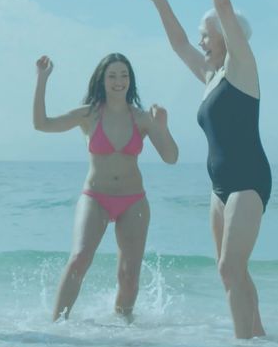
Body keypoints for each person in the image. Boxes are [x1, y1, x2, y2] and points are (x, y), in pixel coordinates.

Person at [136, 0, 270, 339]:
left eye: (205, 32)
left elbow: (223, 6)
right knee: (230, 272)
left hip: (249, 180)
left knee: (232, 268)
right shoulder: (210, 76)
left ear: (225, 36)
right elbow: (177, 43)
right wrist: (160, 0)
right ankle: (260, 343)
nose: (199, 37)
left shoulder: (241, 67)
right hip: (218, 187)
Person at [34, 53, 178, 322]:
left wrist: (162, 127)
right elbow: (42, 124)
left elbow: (171, 157)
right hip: (95, 197)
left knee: (129, 276)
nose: (118, 81)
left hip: (133, 200)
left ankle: (123, 334)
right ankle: (56, 327)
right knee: (78, 259)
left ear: (130, 81)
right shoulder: (89, 114)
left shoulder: (141, 118)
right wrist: (42, 80)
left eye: (124, 75)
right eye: (112, 75)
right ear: (102, 79)